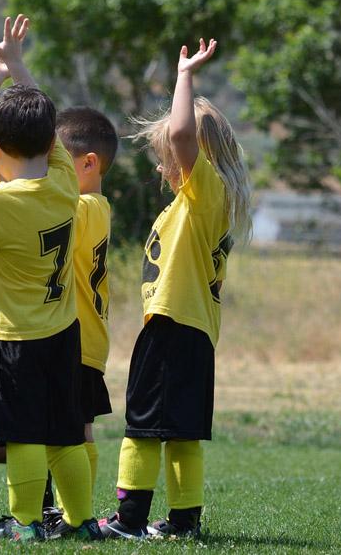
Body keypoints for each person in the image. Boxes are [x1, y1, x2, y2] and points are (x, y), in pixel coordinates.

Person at [0, 14, 99, 541]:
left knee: (23, 437)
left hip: (16, 339)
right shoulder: (64, 182)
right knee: (64, 433)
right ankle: (82, 522)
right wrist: (19, 69)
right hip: (64, 333)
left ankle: (24, 523)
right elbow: (48, 131)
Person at [101, 39, 253, 540]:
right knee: (183, 433)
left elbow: (185, 132)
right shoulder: (198, 203)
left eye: (167, 155)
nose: (164, 166)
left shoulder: (203, 191)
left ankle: (128, 521)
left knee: (141, 428)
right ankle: (184, 524)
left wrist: (184, 74)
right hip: (193, 333)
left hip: (172, 327)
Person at [55, 107, 118, 499]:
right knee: (77, 427)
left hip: (77, 340)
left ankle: (73, 512)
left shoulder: (85, 208)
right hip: (85, 339)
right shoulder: (95, 207)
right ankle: (70, 510)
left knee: (75, 431)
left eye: (57, 163)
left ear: (88, 164)